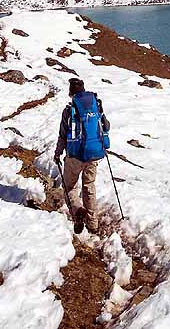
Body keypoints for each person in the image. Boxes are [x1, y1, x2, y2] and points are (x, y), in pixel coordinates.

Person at [54, 77, 111, 233]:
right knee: (89, 186)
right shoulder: (96, 106)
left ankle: (77, 210)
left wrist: (58, 153)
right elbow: (106, 126)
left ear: (71, 92)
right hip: (95, 153)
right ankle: (93, 223)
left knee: (69, 186)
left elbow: (63, 136)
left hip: (75, 156)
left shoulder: (69, 111)